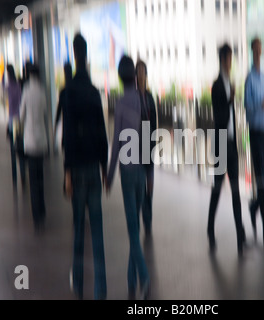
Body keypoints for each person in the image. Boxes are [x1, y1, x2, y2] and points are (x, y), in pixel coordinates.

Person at [63, 34, 108, 300]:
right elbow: (102, 132)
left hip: (77, 168)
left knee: (79, 228)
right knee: (98, 232)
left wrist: (67, 173)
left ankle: (78, 285)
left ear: (74, 54)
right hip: (93, 168)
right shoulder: (93, 92)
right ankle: (100, 290)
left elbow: (67, 135)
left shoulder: (68, 93)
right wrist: (104, 168)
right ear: (87, 56)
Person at [107, 55, 150, 300]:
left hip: (126, 171)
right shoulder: (142, 99)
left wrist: (110, 175)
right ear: (133, 76)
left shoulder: (121, 103)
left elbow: (116, 144)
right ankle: (130, 278)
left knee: (133, 230)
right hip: (141, 171)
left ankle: (144, 277)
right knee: (135, 227)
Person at [207, 43, 246, 256]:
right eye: (229, 59)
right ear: (223, 60)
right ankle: (210, 227)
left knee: (235, 190)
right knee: (218, 187)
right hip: (222, 142)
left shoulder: (229, 83)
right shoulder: (217, 86)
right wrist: (230, 101)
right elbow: (219, 118)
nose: (231, 62)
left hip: (231, 143)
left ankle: (240, 235)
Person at [245, 37, 264, 247]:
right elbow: (247, 106)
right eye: (255, 51)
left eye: (260, 51)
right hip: (255, 133)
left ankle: (255, 205)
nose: (258, 54)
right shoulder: (250, 79)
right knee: (263, 182)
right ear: (251, 52)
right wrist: (260, 103)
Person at [19, 64, 50, 232]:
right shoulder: (42, 92)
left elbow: (21, 114)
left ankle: (36, 214)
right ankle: (43, 210)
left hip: (30, 141)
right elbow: (45, 112)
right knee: (40, 177)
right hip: (42, 139)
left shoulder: (26, 91)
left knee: (33, 180)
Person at [136, 59, 157, 236]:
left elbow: (155, 122)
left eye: (143, 71)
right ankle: (145, 218)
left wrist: (154, 143)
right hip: (136, 145)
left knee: (150, 185)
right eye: (138, 71)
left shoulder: (149, 97)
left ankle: (148, 216)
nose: (141, 74)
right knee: (141, 185)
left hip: (148, 145)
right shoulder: (133, 96)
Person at [6, 65, 26, 187]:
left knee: (13, 150)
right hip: (19, 120)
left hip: (12, 121)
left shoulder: (8, 87)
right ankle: (23, 174)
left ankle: (14, 176)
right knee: (21, 148)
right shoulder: (19, 86)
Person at [54, 62, 73, 152]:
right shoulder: (76, 90)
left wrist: (55, 127)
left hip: (66, 132)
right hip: (76, 133)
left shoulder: (63, 92)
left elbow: (58, 111)